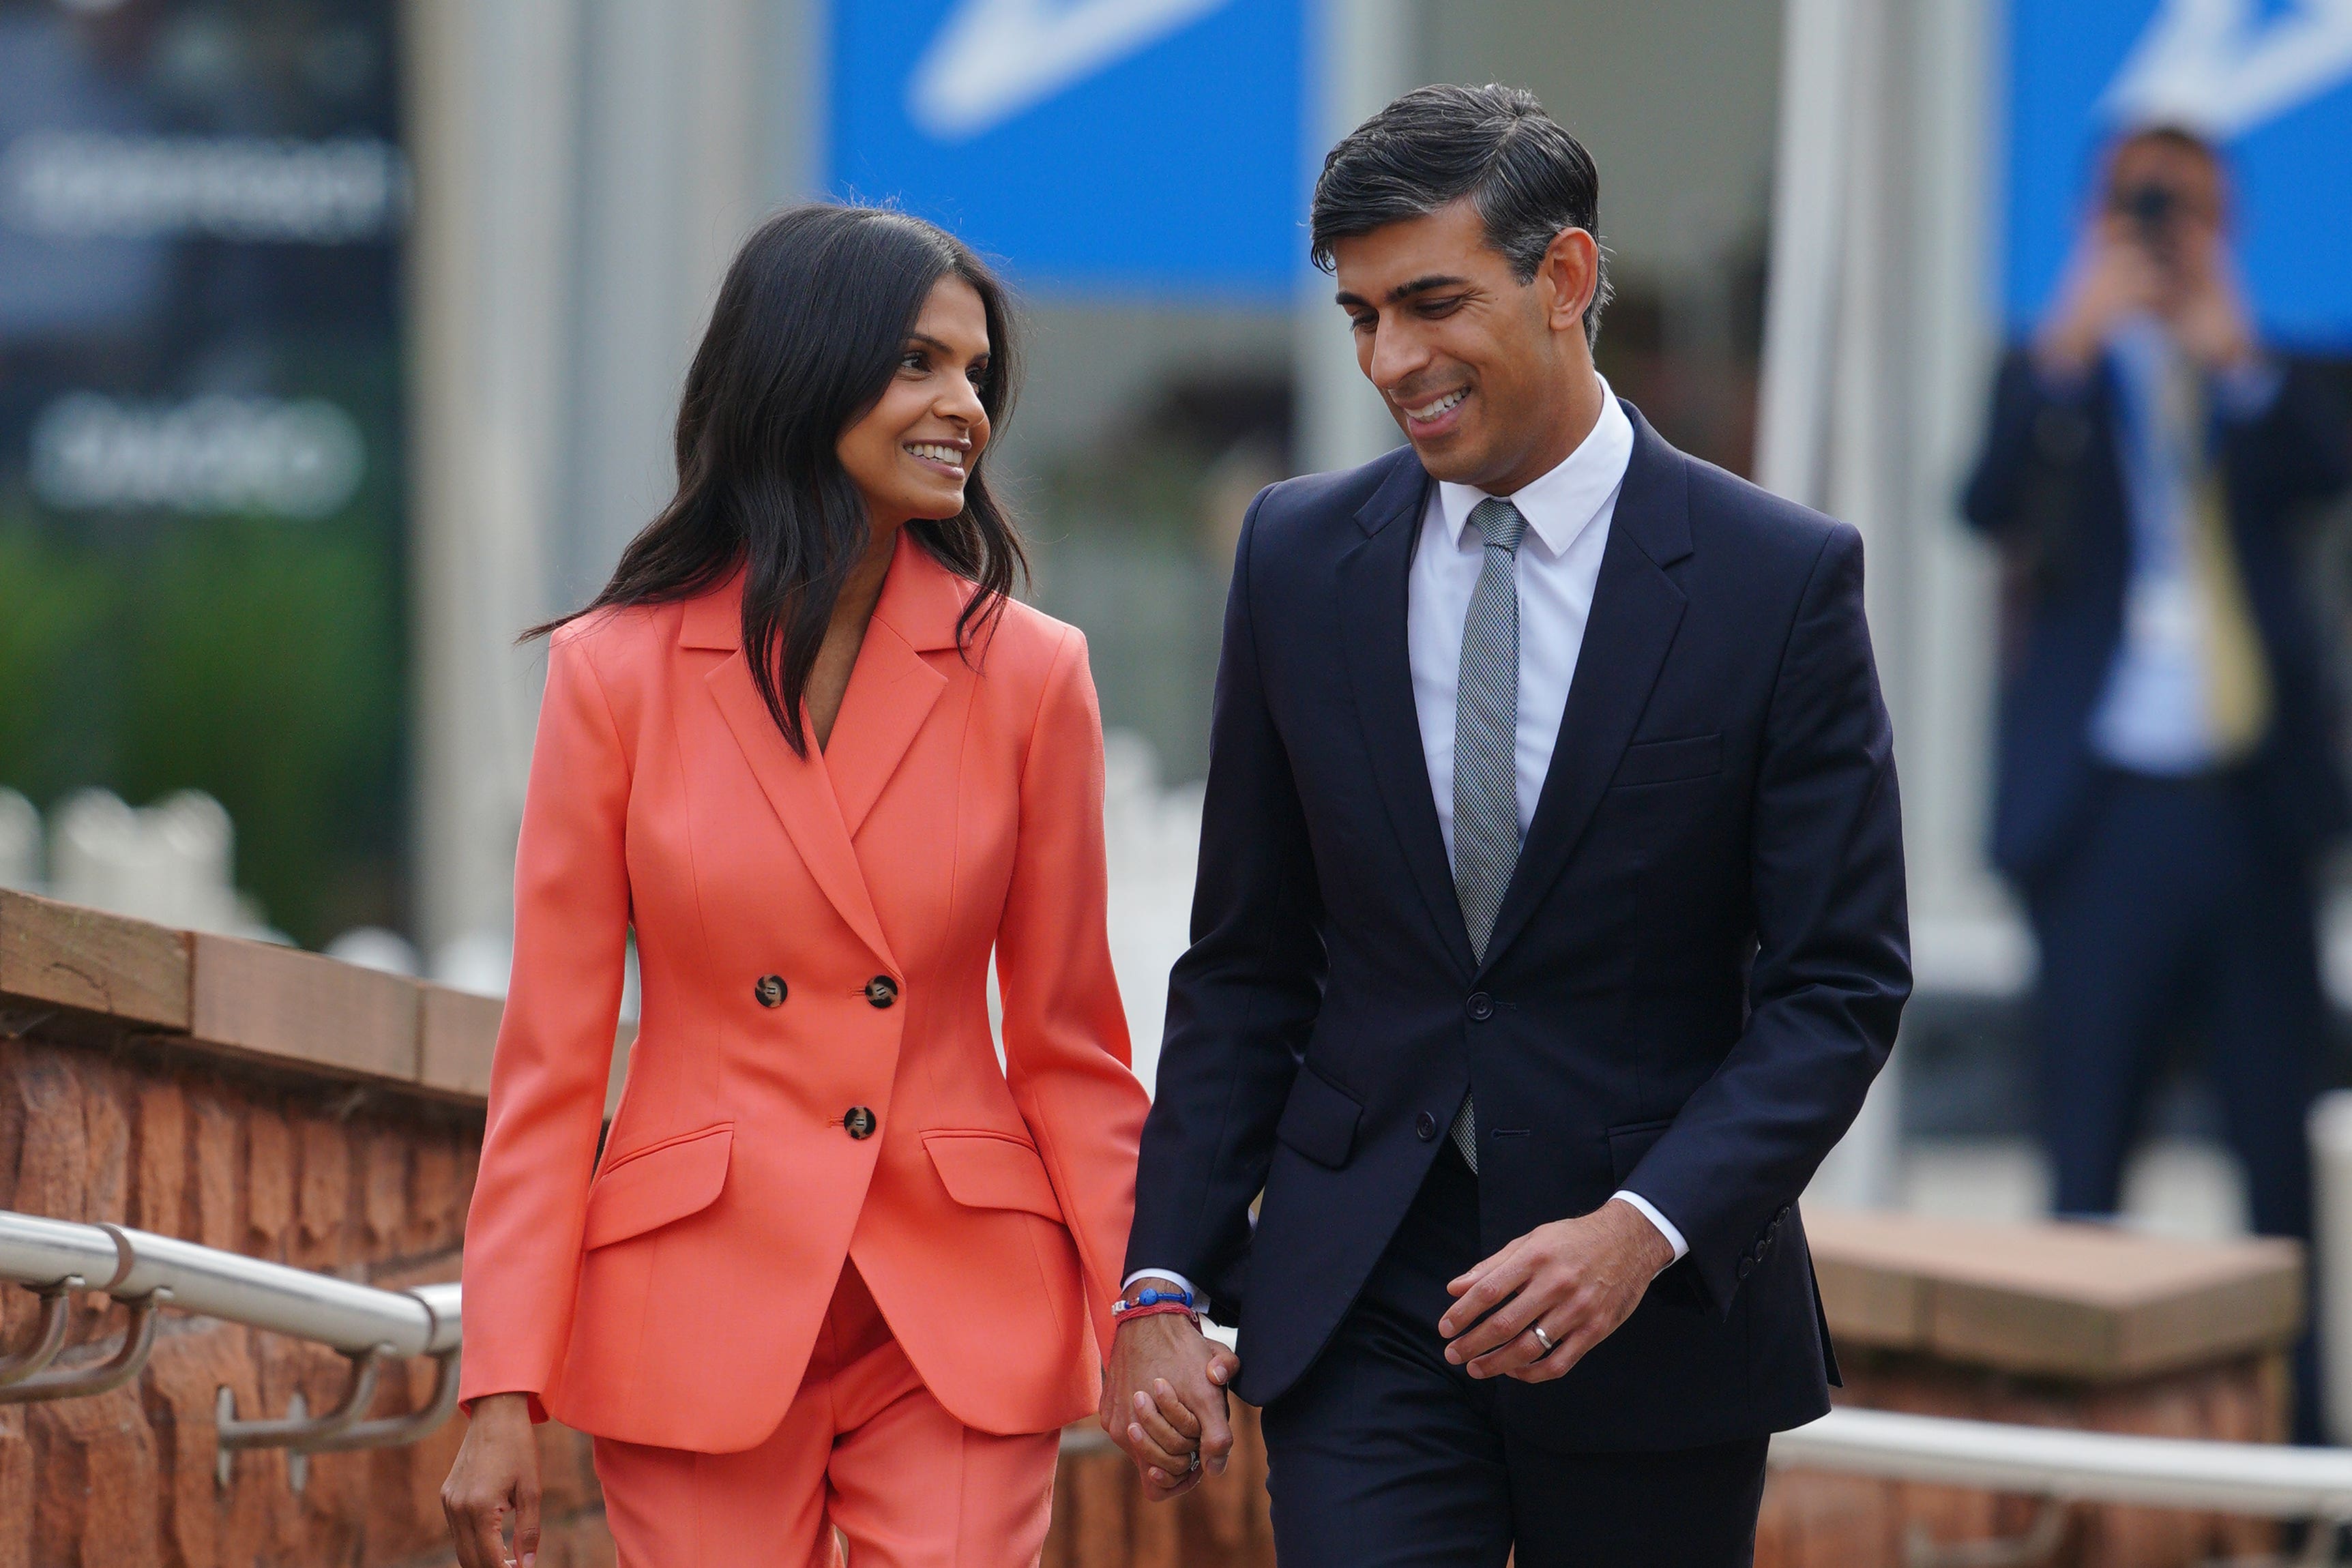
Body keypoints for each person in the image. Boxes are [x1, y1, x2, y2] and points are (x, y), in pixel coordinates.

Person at [1106, 85, 1909, 1567]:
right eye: (1357, 316)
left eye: (1427, 302)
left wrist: (1642, 1225)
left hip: (1649, 1314)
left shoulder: (1772, 582)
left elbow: (1837, 985)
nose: (1389, 360)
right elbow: (1245, 965)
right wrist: (1162, 1279)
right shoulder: (1294, 556)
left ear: (1564, 279)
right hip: (1359, 1293)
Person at [440, 205, 1150, 1568]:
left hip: (955, 1300)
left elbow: (1071, 1048)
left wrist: (1143, 1306)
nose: (965, 408)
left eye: (976, 374)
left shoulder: (1031, 674)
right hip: (692, 1298)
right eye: (919, 366)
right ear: (799, 372)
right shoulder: (615, 672)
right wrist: (501, 1383)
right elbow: (550, 1062)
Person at [1963, 124, 2351, 1440]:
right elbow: (1985, 500)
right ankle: (2078, 1459)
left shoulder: (2264, 373)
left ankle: (2298, 1468)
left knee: (2273, 1159)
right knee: (2086, 1151)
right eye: (2145, 213)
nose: (2167, 238)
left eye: (2189, 214)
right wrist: (2076, 330)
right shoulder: (2056, 373)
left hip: (2249, 816)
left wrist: (2228, 341)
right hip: (2104, 816)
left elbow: (2324, 475)